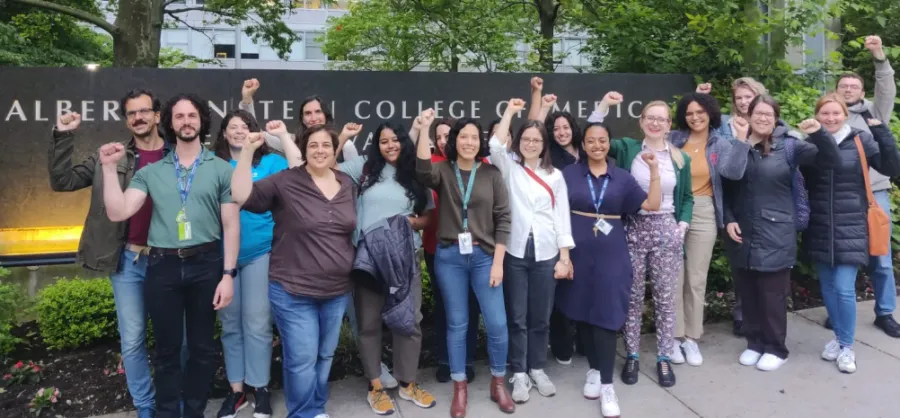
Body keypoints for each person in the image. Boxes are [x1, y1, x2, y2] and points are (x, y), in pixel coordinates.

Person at [49, 89, 184, 418]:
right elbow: (62, 181)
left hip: (170, 261)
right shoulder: (111, 156)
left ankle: (175, 402)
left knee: (176, 340)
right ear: (127, 119)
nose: (138, 117)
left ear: (156, 115)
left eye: (144, 111)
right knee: (134, 340)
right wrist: (64, 135)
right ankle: (146, 407)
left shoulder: (180, 155)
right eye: (131, 113)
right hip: (129, 261)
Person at [100, 93, 237, 418]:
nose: (186, 121)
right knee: (167, 351)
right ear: (170, 123)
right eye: (179, 116)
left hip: (206, 265)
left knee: (202, 350)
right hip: (163, 267)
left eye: (192, 116)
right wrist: (108, 170)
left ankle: (193, 412)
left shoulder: (220, 168)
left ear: (202, 121)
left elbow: (231, 226)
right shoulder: (152, 171)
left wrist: (228, 275)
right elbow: (119, 211)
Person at [232, 123, 356, 418]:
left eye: (326, 144)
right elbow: (241, 196)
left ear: (334, 149)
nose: (320, 150)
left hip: (337, 290)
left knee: (324, 355)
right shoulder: (286, 181)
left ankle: (315, 408)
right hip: (294, 290)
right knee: (301, 359)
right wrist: (248, 152)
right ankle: (301, 413)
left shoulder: (346, 182)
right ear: (303, 149)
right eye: (313, 145)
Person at [723, 95, 840, 372]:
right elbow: (727, 181)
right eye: (758, 113)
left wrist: (819, 133)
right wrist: (728, 219)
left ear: (776, 118)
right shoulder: (736, 145)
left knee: (771, 294)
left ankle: (776, 347)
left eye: (768, 114)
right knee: (748, 291)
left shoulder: (790, 146)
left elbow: (830, 159)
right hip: (742, 232)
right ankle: (754, 343)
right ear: (748, 115)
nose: (763, 118)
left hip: (777, 230)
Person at [415, 109, 514, 418]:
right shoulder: (443, 170)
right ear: (454, 141)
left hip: (486, 258)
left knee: (497, 323)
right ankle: (460, 387)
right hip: (450, 257)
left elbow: (504, 219)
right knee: (457, 323)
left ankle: (498, 382)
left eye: (475, 137)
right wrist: (424, 128)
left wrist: (498, 263)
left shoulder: (491, 174)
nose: (469, 142)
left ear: (479, 142)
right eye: (464, 137)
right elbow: (420, 171)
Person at [589, 96, 693, 388]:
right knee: (632, 297)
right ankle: (632, 354)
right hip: (633, 228)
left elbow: (686, 197)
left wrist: (681, 226)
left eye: (662, 119)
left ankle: (663, 357)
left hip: (666, 229)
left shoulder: (679, 157)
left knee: (665, 298)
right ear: (641, 121)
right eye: (651, 117)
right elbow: (595, 131)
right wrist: (605, 104)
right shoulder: (628, 149)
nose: (656, 123)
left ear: (669, 124)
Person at [560, 121, 661, 417]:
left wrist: (654, 170)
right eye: (591, 141)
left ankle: (607, 385)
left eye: (602, 141)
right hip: (577, 253)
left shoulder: (623, 178)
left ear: (609, 143)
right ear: (583, 144)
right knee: (584, 312)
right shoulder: (568, 174)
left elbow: (652, 204)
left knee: (605, 313)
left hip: (612, 254)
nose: (597, 146)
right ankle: (593, 368)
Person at [335, 122, 437, 415]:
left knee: (409, 321)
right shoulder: (364, 169)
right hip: (369, 261)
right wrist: (341, 137)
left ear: (404, 142)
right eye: (383, 141)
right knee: (369, 324)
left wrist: (409, 224)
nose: (390, 145)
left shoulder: (416, 173)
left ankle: (408, 383)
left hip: (406, 259)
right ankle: (376, 386)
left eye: (395, 140)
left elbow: (428, 216)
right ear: (376, 145)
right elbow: (326, 166)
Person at [801, 93, 900, 374]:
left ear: (845, 114)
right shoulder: (810, 143)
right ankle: (837, 338)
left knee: (844, 288)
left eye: (835, 113)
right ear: (817, 116)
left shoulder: (860, 139)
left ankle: (846, 346)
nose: (830, 119)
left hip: (852, 223)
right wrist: (818, 136)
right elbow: (814, 171)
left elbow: (892, 167)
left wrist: (881, 130)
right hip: (819, 223)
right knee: (829, 288)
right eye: (825, 114)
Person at [490, 99, 574, 403]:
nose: (531, 144)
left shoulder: (556, 176)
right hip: (514, 250)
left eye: (536, 140)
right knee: (518, 316)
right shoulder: (509, 166)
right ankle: (520, 373)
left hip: (546, 252)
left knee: (541, 316)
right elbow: (495, 146)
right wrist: (511, 112)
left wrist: (564, 256)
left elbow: (561, 216)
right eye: (525, 139)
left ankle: (538, 367)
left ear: (544, 144)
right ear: (519, 141)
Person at [212, 110, 286, 418]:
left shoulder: (271, 163)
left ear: (255, 132)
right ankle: (237, 390)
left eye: (245, 126)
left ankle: (261, 387)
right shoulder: (213, 166)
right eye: (232, 127)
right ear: (224, 134)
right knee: (230, 325)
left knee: (256, 322)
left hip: (260, 252)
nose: (239, 131)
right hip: (222, 257)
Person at [666, 92, 747, 366]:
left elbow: (734, 174)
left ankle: (691, 338)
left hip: (703, 210)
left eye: (700, 112)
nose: (695, 117)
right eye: (689, 113)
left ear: (710, 113)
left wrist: (742, 142)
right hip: (672, 210)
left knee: (696, 277)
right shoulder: (673, 140)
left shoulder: (720, 143)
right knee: (673, 275)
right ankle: (673, 338)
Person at [828, 35, 900, 338]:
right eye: (843, 86)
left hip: (874, 195)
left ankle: (884, 311)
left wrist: (878, 55)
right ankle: (840, 312)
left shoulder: (875, 112)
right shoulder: (829, 116)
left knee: (880, 257)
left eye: (853, 86)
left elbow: (886, 87)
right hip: (841, 197)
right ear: (836, 91)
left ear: (862, 90)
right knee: (842, 257)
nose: (848, 90)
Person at [528, 77, 584, 364]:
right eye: (556, 128)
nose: (561, 132)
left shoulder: (587, 153)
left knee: (585, 287)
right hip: (558, 229)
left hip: (586, 230)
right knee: (560, 288)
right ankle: (562, 345)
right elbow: (533, 127)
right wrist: (537, 94)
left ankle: (585, 343)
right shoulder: (551, 157)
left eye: (566, 127)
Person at [423, 117, 481, 383]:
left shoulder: (479, 166)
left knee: (470, 306)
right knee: (445, 308)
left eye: (450, 135)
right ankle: (445, 359)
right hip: (438, 248)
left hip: (472, 250)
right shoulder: (438, 166)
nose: (445, 140)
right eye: (441, 136)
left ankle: (467, 359)